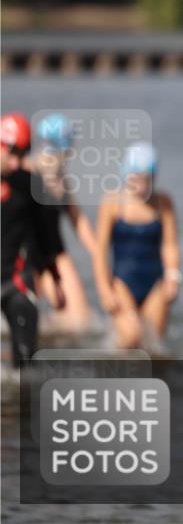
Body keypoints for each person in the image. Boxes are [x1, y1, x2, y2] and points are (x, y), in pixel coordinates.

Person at [92, 142, 180, 349]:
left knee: (153, 345)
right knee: (131, 338)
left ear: (153, 177)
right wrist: (104, 289)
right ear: (126, 175)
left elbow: (170, 245)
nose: (141, 186)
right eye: (136, 179)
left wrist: (173, 277)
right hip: (122, 282)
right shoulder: (112, 202)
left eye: (146, 180)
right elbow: (100, 249)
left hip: (154, 282)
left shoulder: (163, 203)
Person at [1, 112, 65, 368]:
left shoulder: (29, 185)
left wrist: (54, 277)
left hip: (17, 282)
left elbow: (46, 234)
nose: (17, 163)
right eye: (12, 154)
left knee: (26, 366)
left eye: (23, 155)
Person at [23, 112, 96, 333]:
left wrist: (99, 255)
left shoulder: (63, 180)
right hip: (25, 254)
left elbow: (79, 221)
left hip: (56, 252)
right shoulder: (26, 171)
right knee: (26, 320)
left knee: (80, 320)